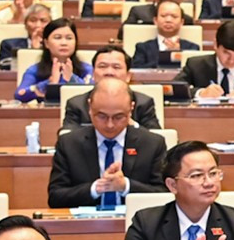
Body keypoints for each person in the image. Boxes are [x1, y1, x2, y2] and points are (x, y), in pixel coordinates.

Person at [47, 80, 169, 208]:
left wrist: (125, 186)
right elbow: (55, 197)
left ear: (131, 109)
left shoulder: (152, 144)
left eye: (118, 117)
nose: (110, 125)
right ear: (90, 107)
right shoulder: (69, 143)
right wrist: (95, 188)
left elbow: (166, 194)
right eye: (102, 116)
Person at [174, 19, 234, 100]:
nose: (231, 60)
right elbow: (174, 89)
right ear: (216, 45)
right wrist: (200, 93)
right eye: (226, 53)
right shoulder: (195, 65)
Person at [14, 17, 91, 102]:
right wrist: (49, 82)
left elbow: (94, 92)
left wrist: (72, 78)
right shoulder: (35, 70)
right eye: (57, 38)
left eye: (69, 38)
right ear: (46, 43)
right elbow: (20, 94)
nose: (64, 43)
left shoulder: (86, 69)